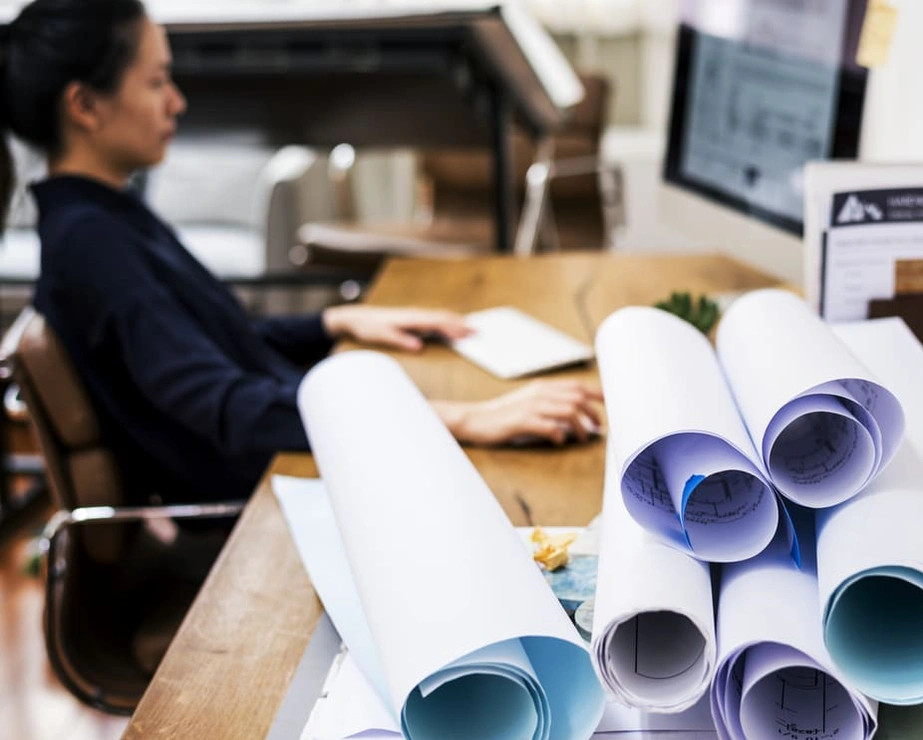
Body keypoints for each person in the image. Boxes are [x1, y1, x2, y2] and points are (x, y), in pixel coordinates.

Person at [0, 0, 602, 506]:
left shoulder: (101, 216)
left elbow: (217, 339)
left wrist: (336, 320)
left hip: (291, 462)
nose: (177, 102)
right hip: (268, 499)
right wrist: (464, 420)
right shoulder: (92, 243)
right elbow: (229, 407)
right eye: (157, 82)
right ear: (84, 106)